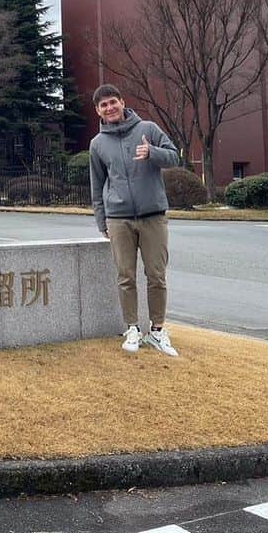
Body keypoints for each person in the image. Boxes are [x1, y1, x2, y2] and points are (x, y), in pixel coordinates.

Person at [88, 84, 181, 356]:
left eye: (113, 102)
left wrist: (152, 152)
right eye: (103, 105)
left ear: (122, 102)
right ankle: (132, 328)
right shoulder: (97, 144)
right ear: (98, 111)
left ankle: (158, 331)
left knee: (156, 275)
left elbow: (174, 157)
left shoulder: (148, 129)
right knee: (125, 276)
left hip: (153, 216)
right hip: (118, 219)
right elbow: (97, 185)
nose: (109, 108)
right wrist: (101, 219)